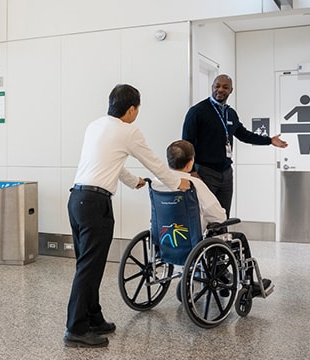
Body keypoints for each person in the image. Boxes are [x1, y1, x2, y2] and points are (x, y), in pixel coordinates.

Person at [64, 84, 190, 348]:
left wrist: (135, 182)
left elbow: (112, 164)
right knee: (89, 267)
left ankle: (93, 318)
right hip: (95, 203)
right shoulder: (128, 131)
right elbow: (154, 162)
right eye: (138, 109)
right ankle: (75, 329)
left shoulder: (95, 126)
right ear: (132, 109)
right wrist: (177, 183)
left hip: (77, 199)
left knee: (88, 265)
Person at [154, 140, 271, 297]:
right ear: (190, 164)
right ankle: (249, 284)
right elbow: (218, 216)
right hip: (195, 243)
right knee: (239, 239)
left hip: (165, 241)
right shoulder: (194, 183)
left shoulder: (156, 183)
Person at [182, 74, 288, 217]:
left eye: (225, 87)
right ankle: (205, 240)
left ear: (231, 90)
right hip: (204, 172)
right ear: (212, 87)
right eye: (217, 86)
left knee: (223, 215)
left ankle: (221, 239)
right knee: (204, 214)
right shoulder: (198, 111)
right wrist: (192, 171)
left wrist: (269, 140)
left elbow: (244, 135)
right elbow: (187, 143)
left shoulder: (230, 113)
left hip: (226, 173)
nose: (220, 90)